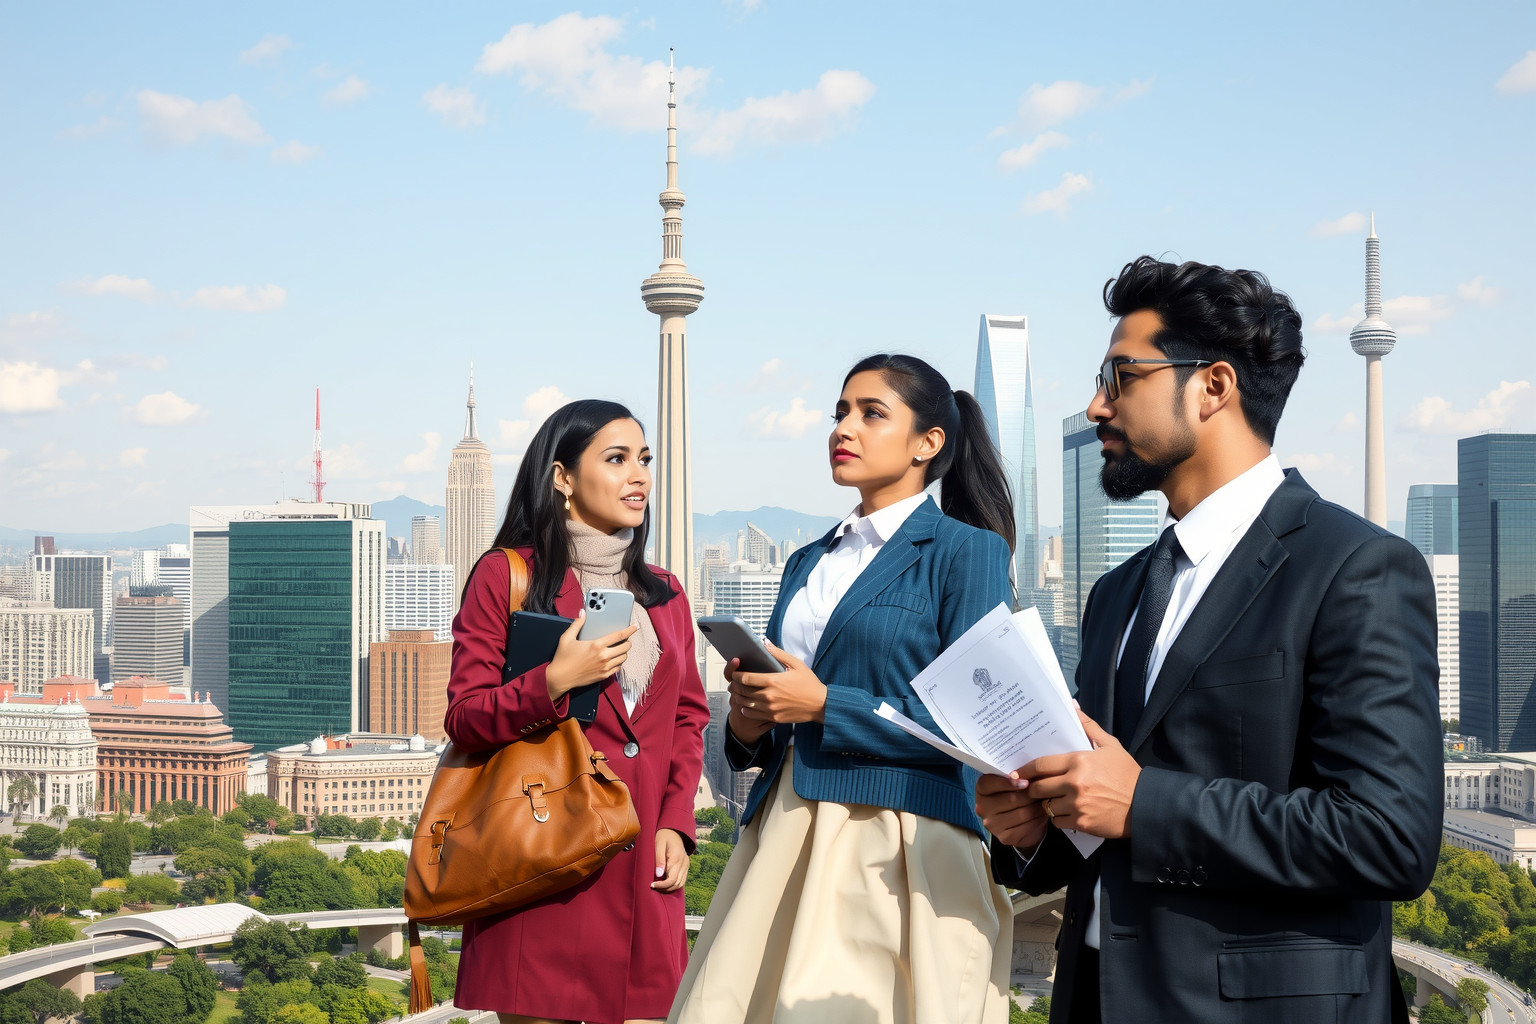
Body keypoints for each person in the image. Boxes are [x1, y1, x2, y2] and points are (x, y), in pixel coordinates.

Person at [977, 257, 1442, 1024]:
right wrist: (1033, 830)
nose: (1096, 406)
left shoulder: (1356, 569)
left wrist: (1145, 803)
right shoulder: (1117, 592)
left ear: (1214, 386)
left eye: (1121, 376)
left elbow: (1387, 836)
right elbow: (1105, 809)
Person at [670, 354, 1018, 1024]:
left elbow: (979, 723)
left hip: (901, 842)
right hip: (783, 829)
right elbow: (760, 735)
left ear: (929, 443)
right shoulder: (808, 560)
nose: (843, 428)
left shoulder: (964, 553)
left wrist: (827, 705)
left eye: (870, 413)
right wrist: (749, 719)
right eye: (839, 413)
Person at [444, 399, 709, 1024]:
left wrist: (676, 823)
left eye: (643, 458)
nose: (638, 474)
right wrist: (555, 680)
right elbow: (465, 715)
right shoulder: (507, 575)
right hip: (545, 861)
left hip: (642, 861)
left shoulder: (663, 591)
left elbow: (687, 718)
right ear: (562, 478)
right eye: (615, 459)